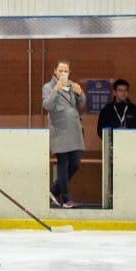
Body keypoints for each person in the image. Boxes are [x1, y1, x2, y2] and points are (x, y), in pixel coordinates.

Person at [42, 59, 86, 208]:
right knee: (63, 164)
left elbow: (81, 105)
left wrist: (80, 94)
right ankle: (66, 199)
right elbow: (47, 105)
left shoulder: (72, 86)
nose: (63, 73)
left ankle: (54, 189)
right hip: (60, 131)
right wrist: (55, 90)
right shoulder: (48, 87)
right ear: (54, 71)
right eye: (60, 70)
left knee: (75, 163)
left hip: (74, 130)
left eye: (66, 71)